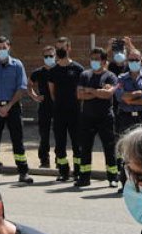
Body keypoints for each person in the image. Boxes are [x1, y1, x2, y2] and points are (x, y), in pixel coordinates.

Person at [0, 36, 32, 184]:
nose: (2, 50)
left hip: (13, 107)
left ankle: (23, 172)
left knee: (18, 140)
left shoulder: (17, 65)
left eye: (4, 47)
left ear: (9, 47)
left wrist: (8, 106)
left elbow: (21, 87)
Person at [75, 47, 119, 189]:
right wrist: (98, 92)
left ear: (104, 61)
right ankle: (84, 178)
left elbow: (108, 95)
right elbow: (79, 95)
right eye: (92, 58)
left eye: (97, 59)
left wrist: (90, 90)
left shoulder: (110, 76)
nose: (94, 61)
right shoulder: (84, 75)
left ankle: (112, 177)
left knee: (109, 148)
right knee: (85, 148)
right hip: (87, 117)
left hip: (105, 117)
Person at [113, 49, 142, 191]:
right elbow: (119, 97)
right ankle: (124, 184)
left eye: (136, 60)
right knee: (125, 152)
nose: (134, 62)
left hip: (141, 118)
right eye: (131, 60)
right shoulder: (121, 78)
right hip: (125, 118)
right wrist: (137, 94)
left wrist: (129, 98)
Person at [48, 37, 86, 182]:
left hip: (75, 112)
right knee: (60, 144)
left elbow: (81, 91)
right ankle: (64, 171)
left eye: (62, 48)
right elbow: (52, 92)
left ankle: (77, 171)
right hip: (59, 113)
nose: (60, 51)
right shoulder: (54, 70)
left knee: (77, 144)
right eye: (58, 49)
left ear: (69, 48)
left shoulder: (78, 69)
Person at [30, 44, 56, 169]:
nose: (49, 58)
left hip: (58, 106)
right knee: (44, 134)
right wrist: (35, 96)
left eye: (51, 56)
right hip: (44, 106)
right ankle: (44, 160)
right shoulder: (38, 72)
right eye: (46, 56)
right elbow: (28, 85)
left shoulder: (59, 70)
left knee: (59, 134)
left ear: (55, 56)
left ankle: (60, 160)